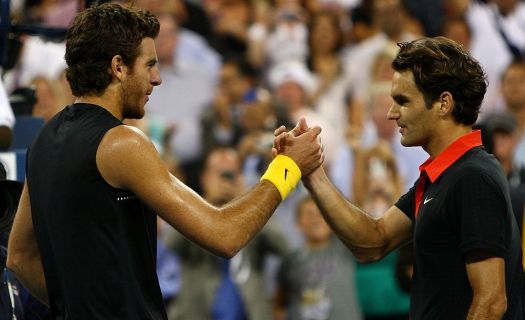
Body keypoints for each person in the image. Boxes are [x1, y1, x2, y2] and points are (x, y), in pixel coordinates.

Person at [5, 3, 323, 320]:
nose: (157, 78)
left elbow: (19, 257)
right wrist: (288, 167)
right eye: (149, 64)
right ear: (118, 67)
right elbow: (225, 235)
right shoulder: (122, 143)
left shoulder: (43, 140)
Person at [275, 37, 523, 319]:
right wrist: (312, 172)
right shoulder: (441, 177)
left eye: (402, 101)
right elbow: (373, 240)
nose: (392, 113)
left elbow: (491, 301)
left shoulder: (474, 177)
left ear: (443, 103)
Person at [163, 147, 290, 320]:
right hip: (198, 312)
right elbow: (169, 244)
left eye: (230, 174)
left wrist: (249, 201)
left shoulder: (252, 212)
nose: (225, 180)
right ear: (204, 178)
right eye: (219, 174)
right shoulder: (190, 208)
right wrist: (207, 202)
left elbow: (285, 246)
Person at [273, 195, 362, 320]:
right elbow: (279, 302)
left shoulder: (343, 248)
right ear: (298, 224)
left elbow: (353, 214)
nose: (316, 218)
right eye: (309, 213)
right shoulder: (290, 260)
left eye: (321, 213)